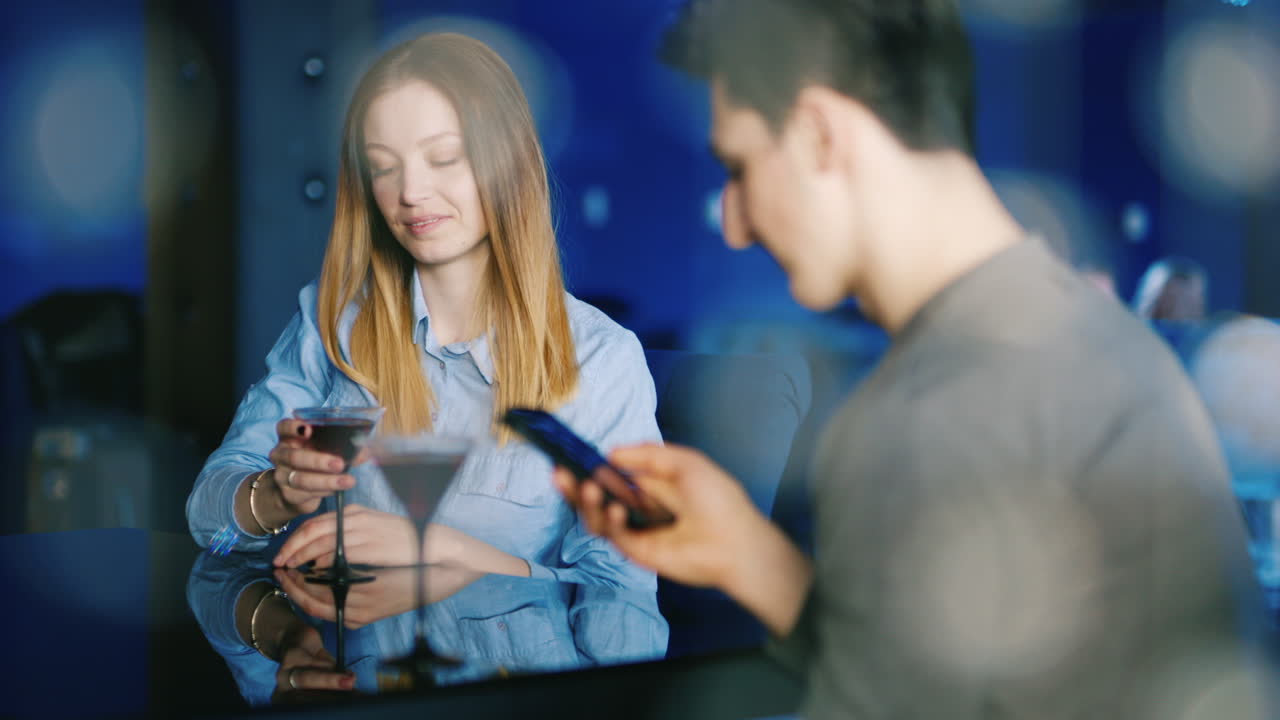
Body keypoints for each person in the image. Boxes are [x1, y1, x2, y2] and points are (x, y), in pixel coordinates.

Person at [557, 1, 1260, 717]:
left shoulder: (927, 414)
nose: (735, 225)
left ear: (820, 133)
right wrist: (750, 555)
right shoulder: (1085, 337)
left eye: (739, 167)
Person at [187, 32, 667, 668]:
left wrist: (447, 555)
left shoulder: (601, 361)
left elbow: (627, 607)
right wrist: (276, 495)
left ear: (506, 163)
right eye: (384, 165)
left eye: (444, 157)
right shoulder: (329, 323)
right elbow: (211, 532)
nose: (410, 192)